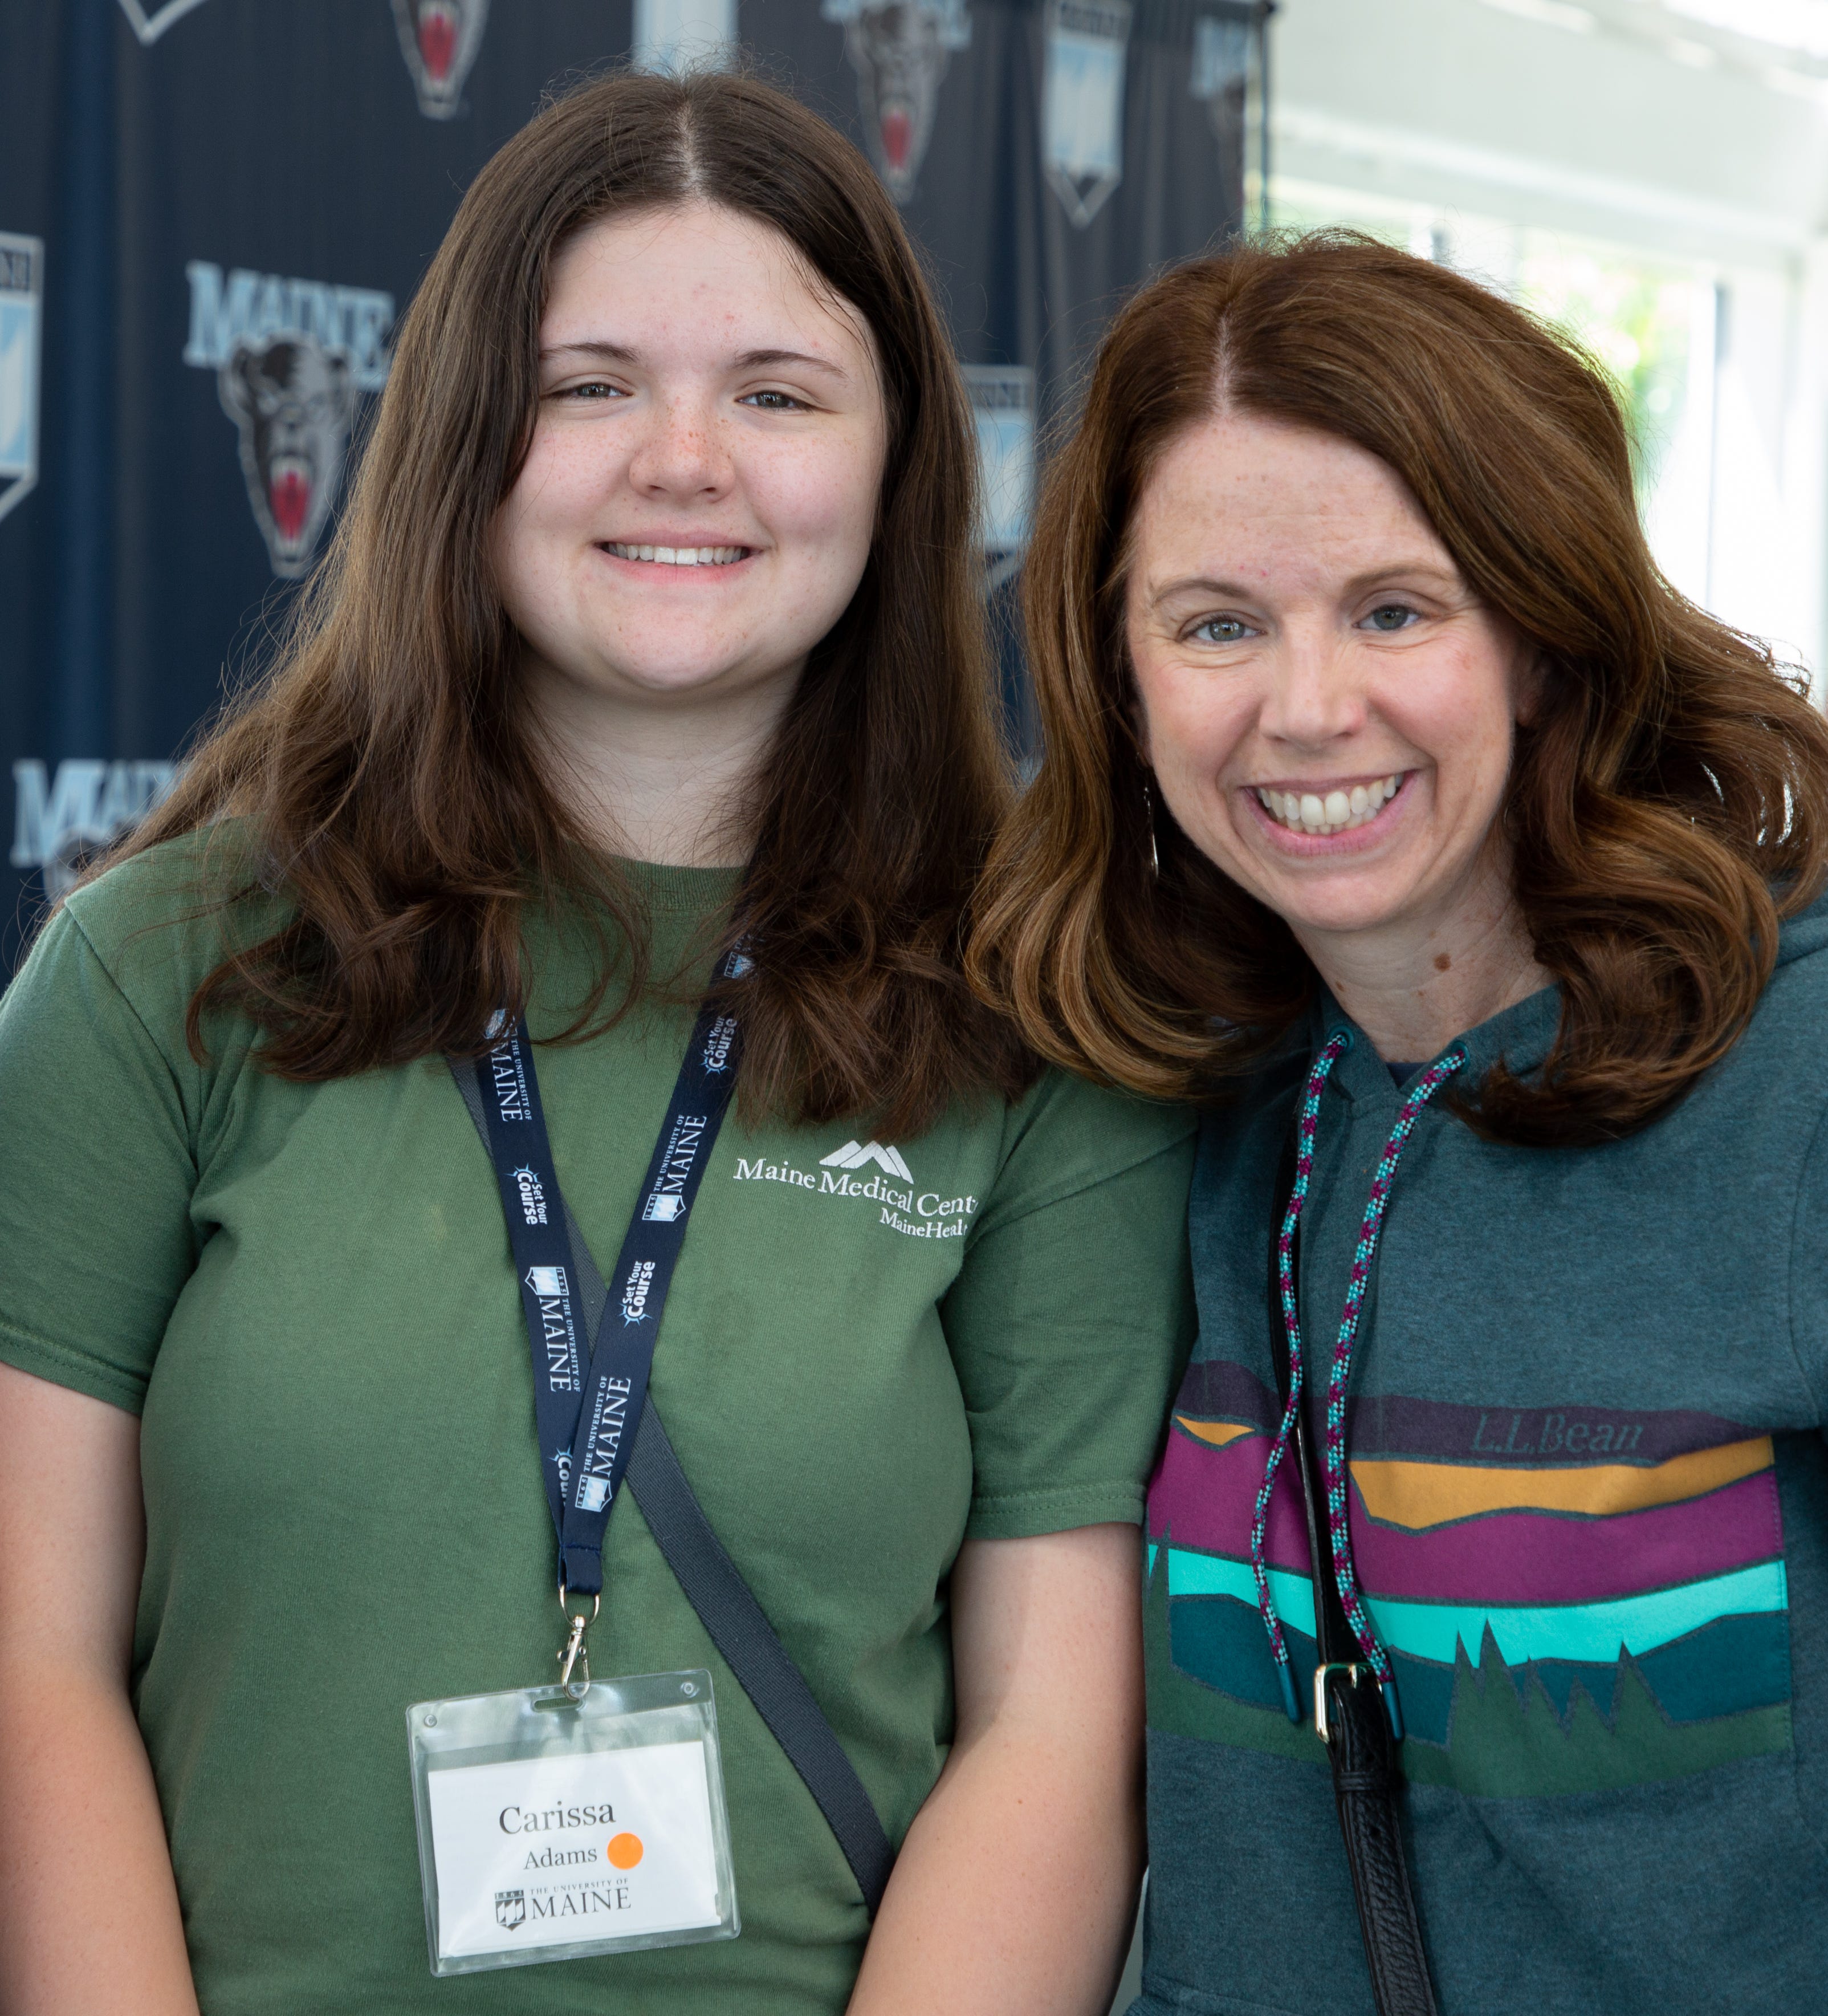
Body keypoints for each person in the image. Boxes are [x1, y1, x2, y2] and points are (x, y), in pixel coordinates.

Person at [0, 72, 1195, 2016]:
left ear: (899, 469)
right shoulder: (167, 974)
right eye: (590, 386)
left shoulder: (1026, 1019)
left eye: (783, 395)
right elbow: (25, 1662)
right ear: (464, 437)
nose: (685, 461)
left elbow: (1052, 1739)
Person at [970, 229, 1828, 2015]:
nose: (1306, 707)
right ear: (1123, 691)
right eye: (1217, 625)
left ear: (1540, 639)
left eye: (1393, 608)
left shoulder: (1792, 1081)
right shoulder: (1176, 1103)